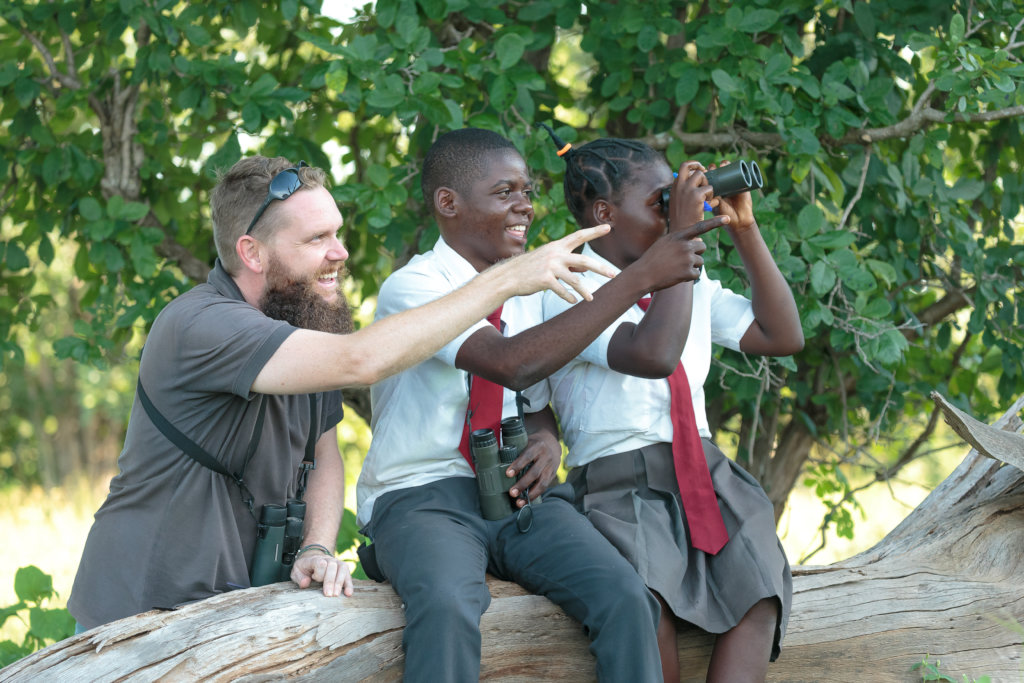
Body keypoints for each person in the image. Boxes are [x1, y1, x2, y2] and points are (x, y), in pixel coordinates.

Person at [67, 155, 615, 631]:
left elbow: (324, 453)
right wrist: (505, 279)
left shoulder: (301, 320)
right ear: (252, 253)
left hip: (240, 607)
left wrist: (316, 545)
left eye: (337, 232)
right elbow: (363, 360)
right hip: (141, 608)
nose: (340, 252)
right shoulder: (202, 325)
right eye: (316, 239)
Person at [356, 128, 728, 681]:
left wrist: (547, 438)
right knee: (449, 605)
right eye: (505, 191)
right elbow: (507, 362)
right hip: (421, 496)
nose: (525, 205)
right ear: (448, 203)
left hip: (513, 492)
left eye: (527, 190)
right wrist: (640, 278)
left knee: (626, 595)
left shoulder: (530, 288)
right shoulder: (414, 287)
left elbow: (528, 396)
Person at [537, 133, 804, 682]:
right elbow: (653, 354)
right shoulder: (567, 284)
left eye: (674, 200)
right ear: (603, 213)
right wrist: (679, 236)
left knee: (759, 596)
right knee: (649, 614)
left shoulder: (692, 277)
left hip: (706, 476)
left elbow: (781, 334)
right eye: (659, 201)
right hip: (618, 486)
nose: (672, 211)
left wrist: (744, 229)